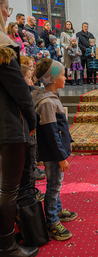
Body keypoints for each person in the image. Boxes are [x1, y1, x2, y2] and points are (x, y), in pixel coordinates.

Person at [0, 0, 39, 257]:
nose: (7, 13)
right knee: (8, 188)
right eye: (7, 8)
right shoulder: (3, 46)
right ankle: (6, 247)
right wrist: (32, 120)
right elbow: (21, 93)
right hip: (7, 126)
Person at [32, 58, 77, 241]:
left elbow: (59, 128)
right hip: (53, 154)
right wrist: (61, 157)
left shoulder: (50, 97)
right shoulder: (47, 103)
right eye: (63, 75)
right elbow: (51, 133)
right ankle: (52, 222)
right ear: (52, 79)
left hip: (56, 152)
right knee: (54, 186)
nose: (66, 78)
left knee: (56, 184)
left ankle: (57, 211)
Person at [20, 64, 45, 201]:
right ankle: (29, 196)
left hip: (26, 133)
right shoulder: (23, 93)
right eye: (29, 77)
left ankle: (29, 192)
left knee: (29, 166)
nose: (32, 80)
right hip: (26, 134)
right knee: (28, 168)